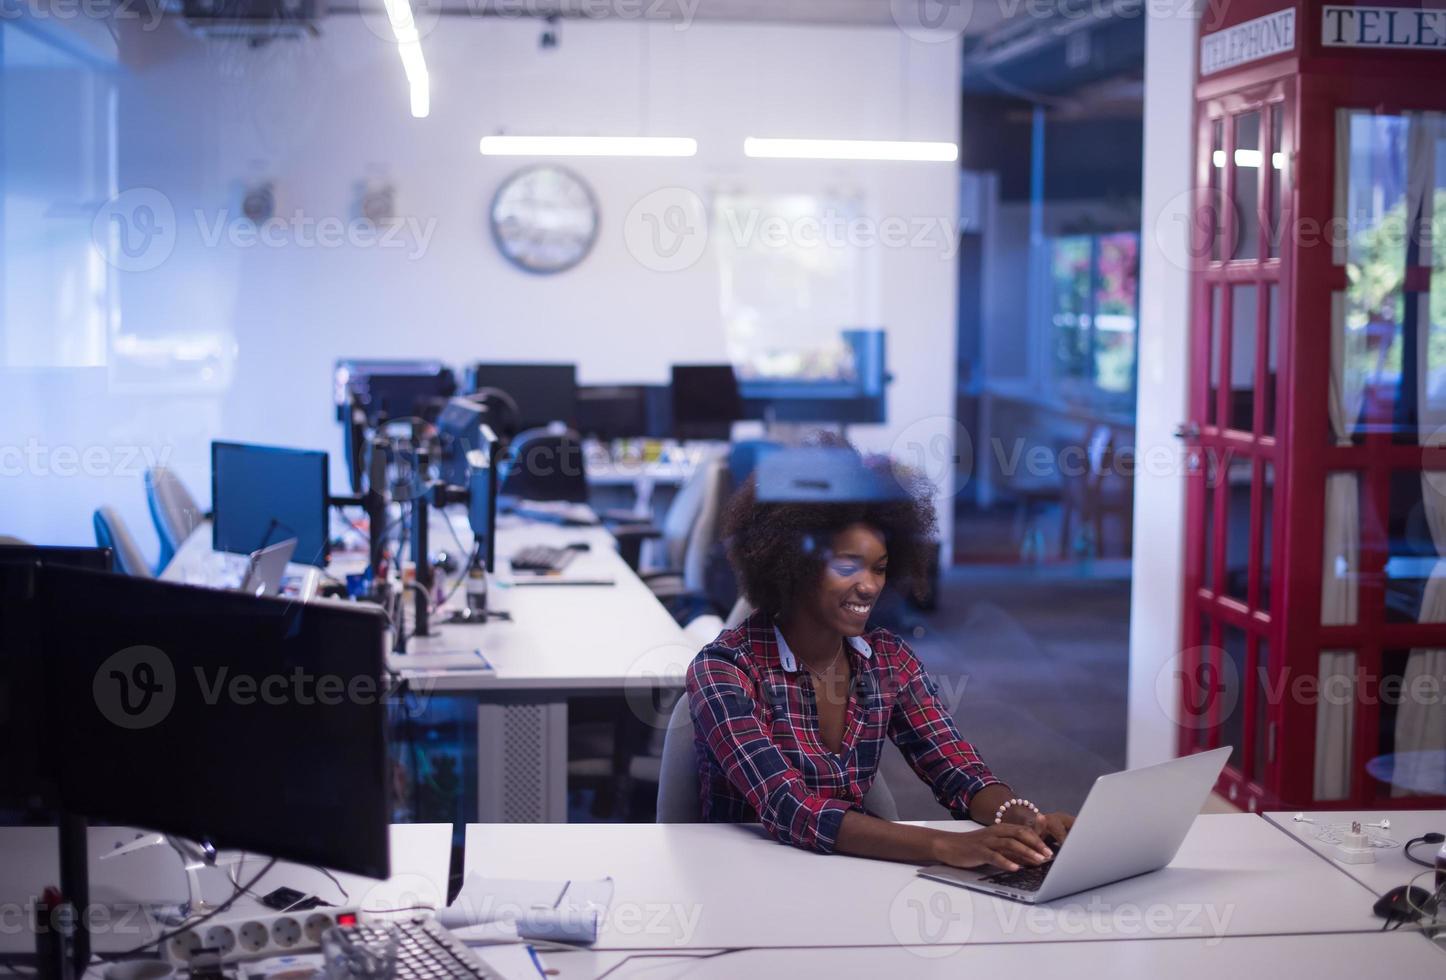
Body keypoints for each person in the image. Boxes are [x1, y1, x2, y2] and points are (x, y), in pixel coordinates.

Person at [686, 445, 1074, 871]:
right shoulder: (725, 670)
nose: (869, 586)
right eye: (849, 565)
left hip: (848, 874)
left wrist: (1023, 820)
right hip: (743, 882)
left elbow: (958, 769)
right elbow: (789, 807)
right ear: (792, 563)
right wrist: (944, 846)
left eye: (880, 567)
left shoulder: (886, 659)